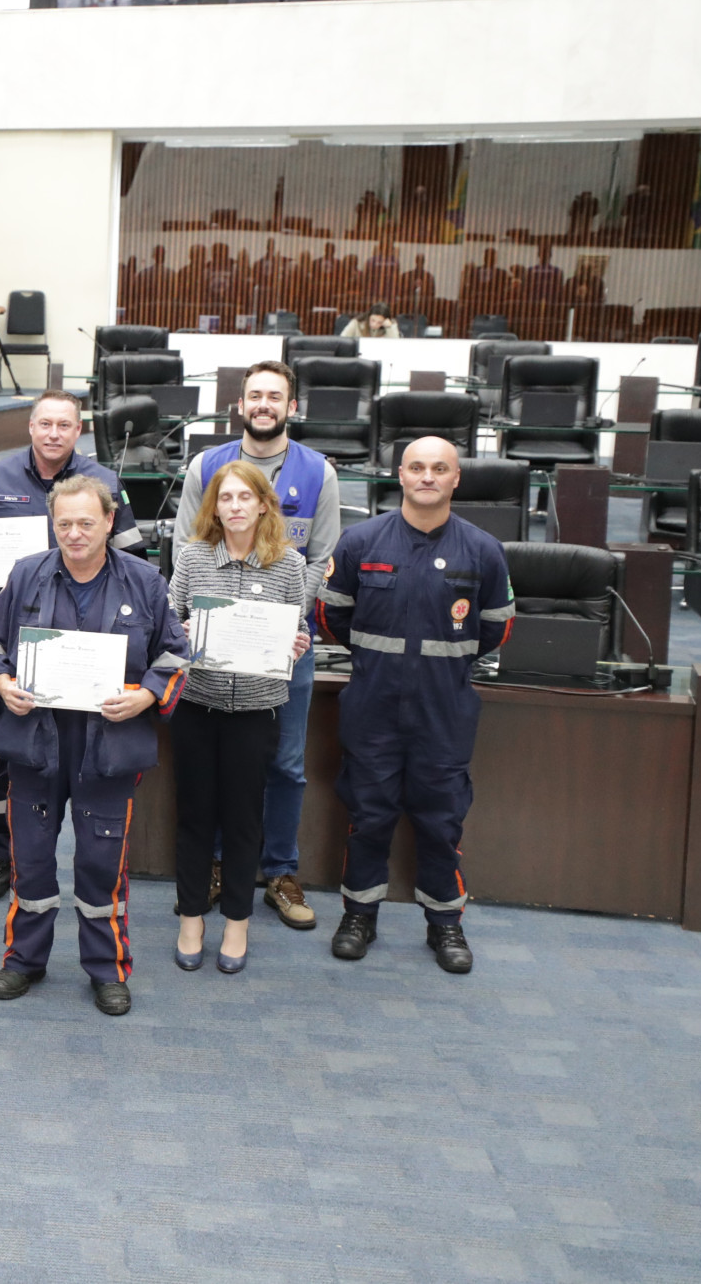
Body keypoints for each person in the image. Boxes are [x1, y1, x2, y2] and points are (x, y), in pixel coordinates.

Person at [0, 476, 190, 1016]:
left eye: (86, 523)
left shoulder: (143, 580)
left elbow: (175, 656)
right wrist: (3, 684)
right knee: (31, 860)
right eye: (64, 523)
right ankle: (24, 959)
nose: (74, 534)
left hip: (108, 747)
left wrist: (145, 696)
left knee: (101, 862)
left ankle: (107, 968)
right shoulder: (26, 574)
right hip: (35, 742)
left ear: (110, 522)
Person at [317, 437, 513, 976]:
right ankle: (359, 915)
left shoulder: (484, 550)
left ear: (456, 479)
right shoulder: (360, 541)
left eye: (440, 468)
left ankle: (444, 924)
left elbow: (496, 628)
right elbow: (331, 616)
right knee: (369, 814)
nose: (428, 476)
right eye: (418, 467)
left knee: (440, 819)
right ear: (399, 475)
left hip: (444, 708)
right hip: (372, 703)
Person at [170, 360, 339, 929]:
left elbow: (319, 560)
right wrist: (206, 621)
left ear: (293, 407)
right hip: (212, 656)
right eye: (255, 396)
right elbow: (184, 549)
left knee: (286, 764)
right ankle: (217, 868)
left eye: (276, 396)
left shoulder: (319, 472)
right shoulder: (206, 465)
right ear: (239, 405)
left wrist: (286, 621)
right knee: (219, 763)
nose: (264, 404)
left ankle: (281, 872)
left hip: (282, 648)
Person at [0, 390, 141, 906]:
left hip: (93, 637)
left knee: (86, 753)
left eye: (65, 424)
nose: (54, 433)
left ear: (78, 430)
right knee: (16, 754)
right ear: (30, 426)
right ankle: (5, 853)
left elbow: (134, 555)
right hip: (20, 631)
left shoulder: (104, 483)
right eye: (45, 423)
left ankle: (88, 856)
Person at [166, 463, 311, 975]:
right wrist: (181, 631)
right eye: (225, 498)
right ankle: (191, 919)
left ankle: (236, 924)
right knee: (195, 816)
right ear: (214, 507)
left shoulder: (289, 566)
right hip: (197, 707)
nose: (234, 507)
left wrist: (299, 642)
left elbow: (299, 629)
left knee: (245, 819)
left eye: (244, 497)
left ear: (263, 504)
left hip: (256, 710)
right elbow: (168, 622)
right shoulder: (193, 557)